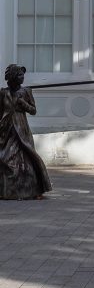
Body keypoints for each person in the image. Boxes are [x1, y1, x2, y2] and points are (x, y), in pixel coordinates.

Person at [0, 64, 52, 201]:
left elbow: (33, 111)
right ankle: (7, 191)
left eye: (22, 75)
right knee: (5, 158)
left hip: (21, 129)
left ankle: (30, 190)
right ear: (11, 77)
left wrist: (24, 104)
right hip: (6, 129)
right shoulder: (3, 93)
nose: (22, 77)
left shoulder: (26, 92)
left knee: (26, 159)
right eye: (19, 75)